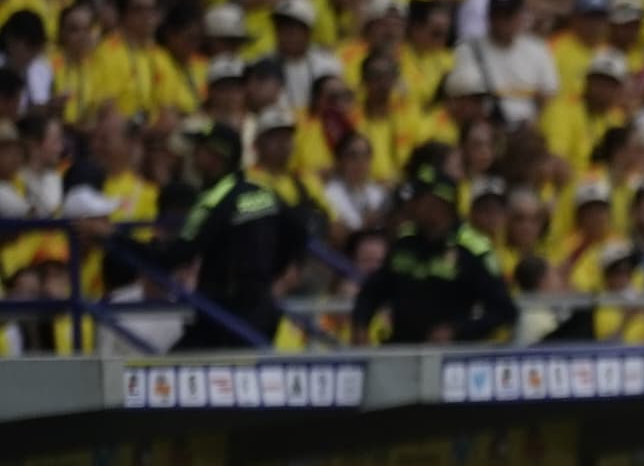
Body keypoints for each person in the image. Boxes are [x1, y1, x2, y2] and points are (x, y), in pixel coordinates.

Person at [167, 119, 312, 348]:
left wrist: (119, 240)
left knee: (176, 370)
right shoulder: (260, 191)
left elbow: (179, 252)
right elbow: (300, 232)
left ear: (215, 157)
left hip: (223, 315)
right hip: (259, 309)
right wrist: (282, 277)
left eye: (199, 150)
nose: (193, 157)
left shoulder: (215, 200)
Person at [348, 168, 518, 344]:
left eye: (418, 200)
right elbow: (373, 291)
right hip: (401, 352)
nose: (410, 205)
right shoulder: (405, 242)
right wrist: (360, 324)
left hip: (450, 360)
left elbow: (503, 311)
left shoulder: (473, 249)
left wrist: (457, 330)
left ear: (439, 205)